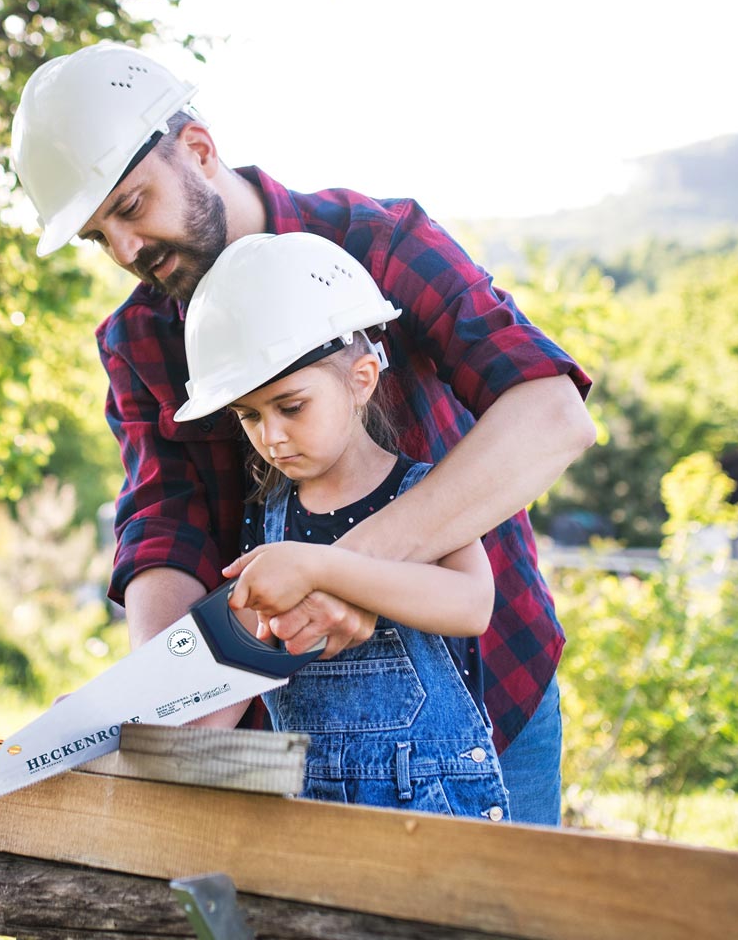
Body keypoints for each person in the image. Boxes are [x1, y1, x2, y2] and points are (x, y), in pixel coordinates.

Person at [9, 43, 595, 826]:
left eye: (130, 206)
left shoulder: (380, 242)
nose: (125, 252)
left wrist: (341, 573)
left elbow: (550, 414)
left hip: (489, 713)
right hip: (304, 749)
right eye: (97, 236)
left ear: (198, 150)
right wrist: (171, 691)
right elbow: (165, 527)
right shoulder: (140, 339)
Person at [175, 231, 510, 819]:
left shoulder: (423, 494)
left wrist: (326, 566)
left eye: (291, 407)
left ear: (361, 380)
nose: (271, 436)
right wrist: (131, 724)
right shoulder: (268, 514)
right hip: (304, 806)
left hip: (431, 804)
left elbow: (471, 604)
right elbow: (241, 663)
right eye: (249, 417)